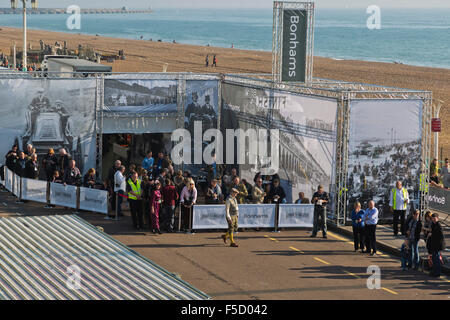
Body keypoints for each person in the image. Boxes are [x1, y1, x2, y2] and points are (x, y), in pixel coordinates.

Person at [429, 213, 446, 277]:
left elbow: (440, 236)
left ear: (437, 218)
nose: (433, 219)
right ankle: (435, 271)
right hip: (434, 244)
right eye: (432, 218)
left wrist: (432, 234)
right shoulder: (433, 224)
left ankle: (437, 272)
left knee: (436, 258)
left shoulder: (438, 225)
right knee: (434, 258)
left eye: (434, 218)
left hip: (438, 245)